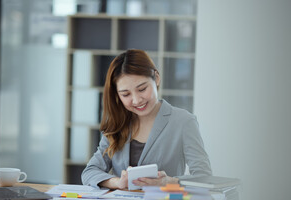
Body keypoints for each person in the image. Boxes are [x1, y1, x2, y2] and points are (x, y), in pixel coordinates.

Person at [81, 49, 212, 189]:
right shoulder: (118, 123)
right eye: (126, 94)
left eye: (142, 89)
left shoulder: (183, 121)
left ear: (156, 78)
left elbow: (204, 177)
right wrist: (117, 182)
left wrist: (170, 182)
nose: (136, 100)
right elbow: (89, 172)